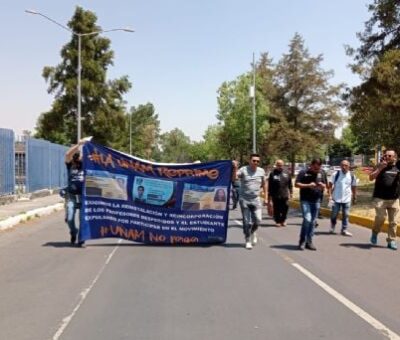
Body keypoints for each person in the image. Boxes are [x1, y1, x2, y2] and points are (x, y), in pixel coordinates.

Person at [232, 153, 268, 250]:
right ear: (250, 161)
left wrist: (266, 198)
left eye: (257, 161)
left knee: (258, 220)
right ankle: (247, 240)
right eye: (254, 160)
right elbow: (235, 178)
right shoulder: (243, 169)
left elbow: (264, 184)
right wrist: (235, 168)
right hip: (244, 199)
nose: (255, 162)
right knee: (247, 222)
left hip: (256, 199)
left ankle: (252, 232)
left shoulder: (261, 171)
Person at [369, 149, 400, 250]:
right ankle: (375, 232)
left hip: (394, 199)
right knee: (381, 217)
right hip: (380, 198)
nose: (387, 157)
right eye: (385, 155)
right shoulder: (379, 165)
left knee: (394, 222)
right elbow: (371, 178)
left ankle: (391, 241)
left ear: (394, 157)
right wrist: (380, 168)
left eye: (389, 156)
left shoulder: (398, 167)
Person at [295, 158, 326, 251]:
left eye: (318, 167)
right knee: (307, 219)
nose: (317, 170)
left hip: (316, 200)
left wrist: (322, 186)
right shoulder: (303, 172)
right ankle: (302, 241)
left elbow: (325, 185)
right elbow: (296, 184)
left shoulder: (322, 173)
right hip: (305, 200)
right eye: (315, 167)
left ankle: (309, 241)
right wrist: (308, 185)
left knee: (312, 222)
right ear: (311, 165)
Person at [65, 139, 86, 246]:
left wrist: (85, 146)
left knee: (82, 218)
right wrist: (79, 144)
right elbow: (68, 154)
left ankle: (81, 239)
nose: (76, 155)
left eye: (78, 153)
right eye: (75, 153)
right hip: (71, 195)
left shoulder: (85, 164)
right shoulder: (70, 164)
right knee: (70, 218)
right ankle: (73, 231)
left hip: (83, 195)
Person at [328, 160, 357, 236]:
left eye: (346, 165)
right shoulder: (336, 174)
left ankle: (344, 229)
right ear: (340, 166)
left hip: (347, 199)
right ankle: (332, 225)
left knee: (346, 214)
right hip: (336, 198)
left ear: (349, 166)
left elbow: (353, 187)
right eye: (342, 165)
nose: (344, 167)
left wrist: (354, 196)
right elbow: (330, 185)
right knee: (334, 214)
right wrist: (330, 195)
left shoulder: (352, 175)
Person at [267, 159, 293, 227]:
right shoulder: (272, 173)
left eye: (281, 165)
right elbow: (270, 186)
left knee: (285, 207)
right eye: (278, 165)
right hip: (275, 195)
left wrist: (291, 193)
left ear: (283, 165)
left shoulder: (287, 172)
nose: (280, 167)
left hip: (285, 194)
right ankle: (278, 221)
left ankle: (283, 220)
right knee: (277, 208)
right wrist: (269, 197)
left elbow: (290, 184)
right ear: (276, 165)